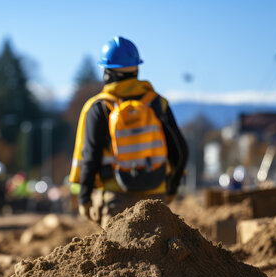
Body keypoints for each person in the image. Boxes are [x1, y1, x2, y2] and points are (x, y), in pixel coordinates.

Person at [69, 36, 188, 227]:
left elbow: (90, 156)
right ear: (136, 69)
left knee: (118, 255)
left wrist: (84, 198)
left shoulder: (98, 107)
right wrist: (172, 187)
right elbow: (180, 150)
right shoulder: (158, 103)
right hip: (156, 199)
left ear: (106, 72)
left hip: (116, 200)